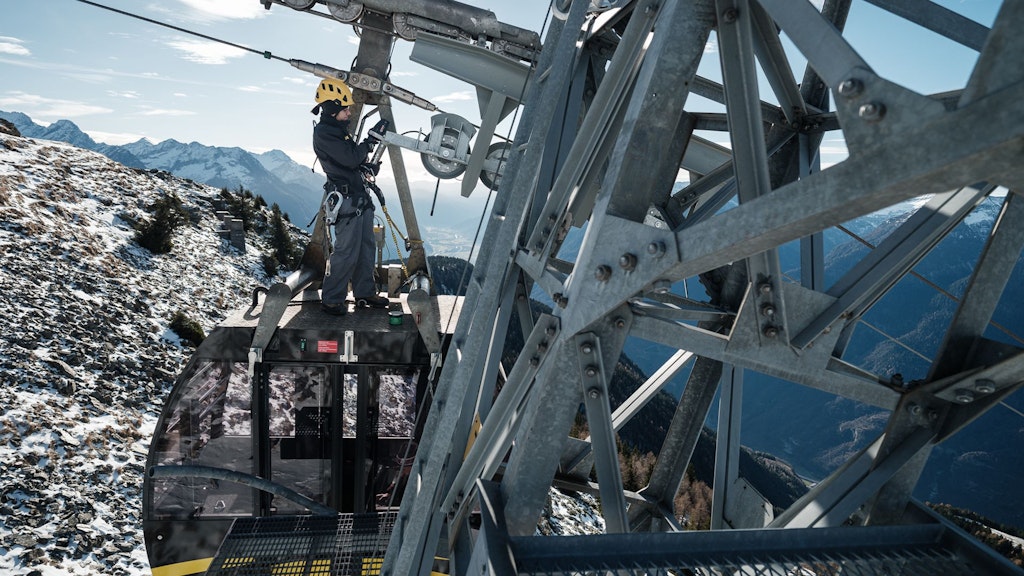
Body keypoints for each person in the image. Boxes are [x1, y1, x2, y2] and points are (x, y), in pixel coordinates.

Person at [311, 77, 389, 315]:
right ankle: (332, 299)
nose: (349, 112)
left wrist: (364, 168)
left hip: (357, 197)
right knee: (346, 251)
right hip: (347, 201)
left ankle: (364, 292)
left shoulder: (337, 131)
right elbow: (350, 158)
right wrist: (370, 142)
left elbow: (349, 162)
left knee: (366, 247)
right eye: (345, 109)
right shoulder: (325, 133)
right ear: (333, 108)